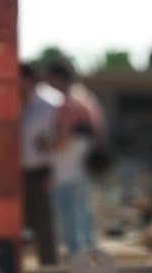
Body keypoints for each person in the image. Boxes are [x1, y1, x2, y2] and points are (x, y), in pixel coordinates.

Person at [44, 62, 104, 258]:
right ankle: (94, 272)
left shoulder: (67, 104)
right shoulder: (87, 99)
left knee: (72, 229)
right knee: (86, 226)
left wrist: (45, 146)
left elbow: (63, 139)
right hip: (83, 170)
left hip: (66, 173)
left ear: (57, 78)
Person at [19, 63, 62, 267]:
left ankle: (49, 268)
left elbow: (61, 135)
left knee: (44, 225)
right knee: (17, 224)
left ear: (28, 79)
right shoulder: (5, 100)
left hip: (42, 170)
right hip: (15, 171)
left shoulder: (50, 103)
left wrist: (54, 171)